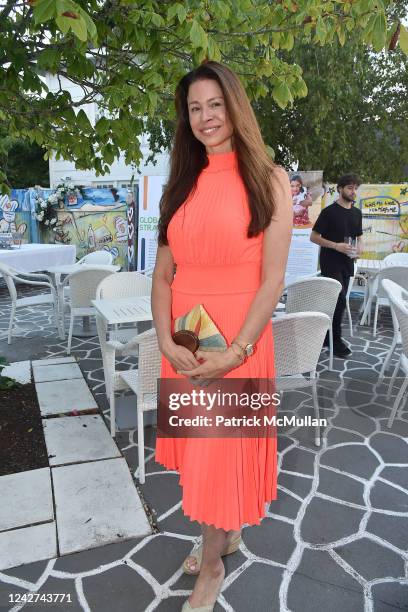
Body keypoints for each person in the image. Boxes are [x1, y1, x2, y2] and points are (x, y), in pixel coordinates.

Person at [151, 61, 292, 611]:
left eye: (215, 104)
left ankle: (211, 567)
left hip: (238, 337)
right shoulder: (181, 183)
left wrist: (236, 352)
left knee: (218, 456)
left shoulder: (269, 179)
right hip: (187, 335)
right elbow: (163, 274)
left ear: (235, 106)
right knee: (206, 454)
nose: (206, 117)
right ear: (185, 119)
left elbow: (273, 278)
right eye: (194, 108)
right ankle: (225, 533)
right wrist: (165, 340)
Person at [310, 174, 363, 357]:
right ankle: (336, 340)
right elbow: (314, 237)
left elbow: (359, 236)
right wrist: (336, 246)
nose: (353, 191)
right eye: (349, 187)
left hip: (347, 261)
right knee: (339, 300)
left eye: (355, 188)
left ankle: (325, 337)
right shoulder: (329, 212)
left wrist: (360, 248)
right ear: (340, 189)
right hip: (330, 262)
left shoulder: (357, 213)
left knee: (337, 302)